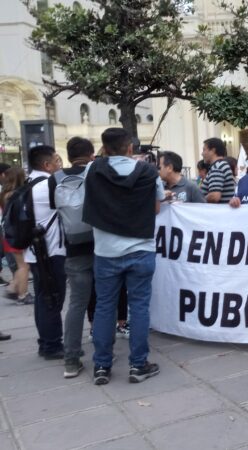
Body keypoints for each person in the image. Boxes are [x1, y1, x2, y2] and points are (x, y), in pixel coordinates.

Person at [83, 127, 164, 385]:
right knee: (138, 307)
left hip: (106, 251)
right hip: (141, 248)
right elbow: (157, 206)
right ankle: (138, 365)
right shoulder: (149, 172)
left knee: (105, 307)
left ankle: (102, 366)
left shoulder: (92, 170)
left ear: (104, 149)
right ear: (130, 147)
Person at [52, 136, 95, 377]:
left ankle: (71, 360)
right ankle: (103, 353)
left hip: (73, 248)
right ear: (91, 155)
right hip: (100, 245)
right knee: (103, 301)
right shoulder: (96, 173)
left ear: (67, 156)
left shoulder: (55, 179)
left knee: (77, 304)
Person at [25, 145, 67, 360]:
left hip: (34, 252)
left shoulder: (28, 183)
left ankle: (45, 342)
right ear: (46, 164)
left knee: (43, 297)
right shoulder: (48, 185)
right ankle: (52, 345)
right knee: (53, 297)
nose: (58, 164)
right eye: (55, 160)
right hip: (51, 251)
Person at [1, 167, 32, 304]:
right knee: (24, 266)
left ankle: (14, 287)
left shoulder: (4, 194)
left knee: (21, 264)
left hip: (8, 233)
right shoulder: (17, 194)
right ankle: (22, 294)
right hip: (17, 233)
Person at [200, 137, 236, 203]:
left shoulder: (217, 167)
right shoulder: (221, 165)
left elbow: (214, 196)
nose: (202, 153)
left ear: (213, 151)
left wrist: (199, 200)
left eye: (204, 150)